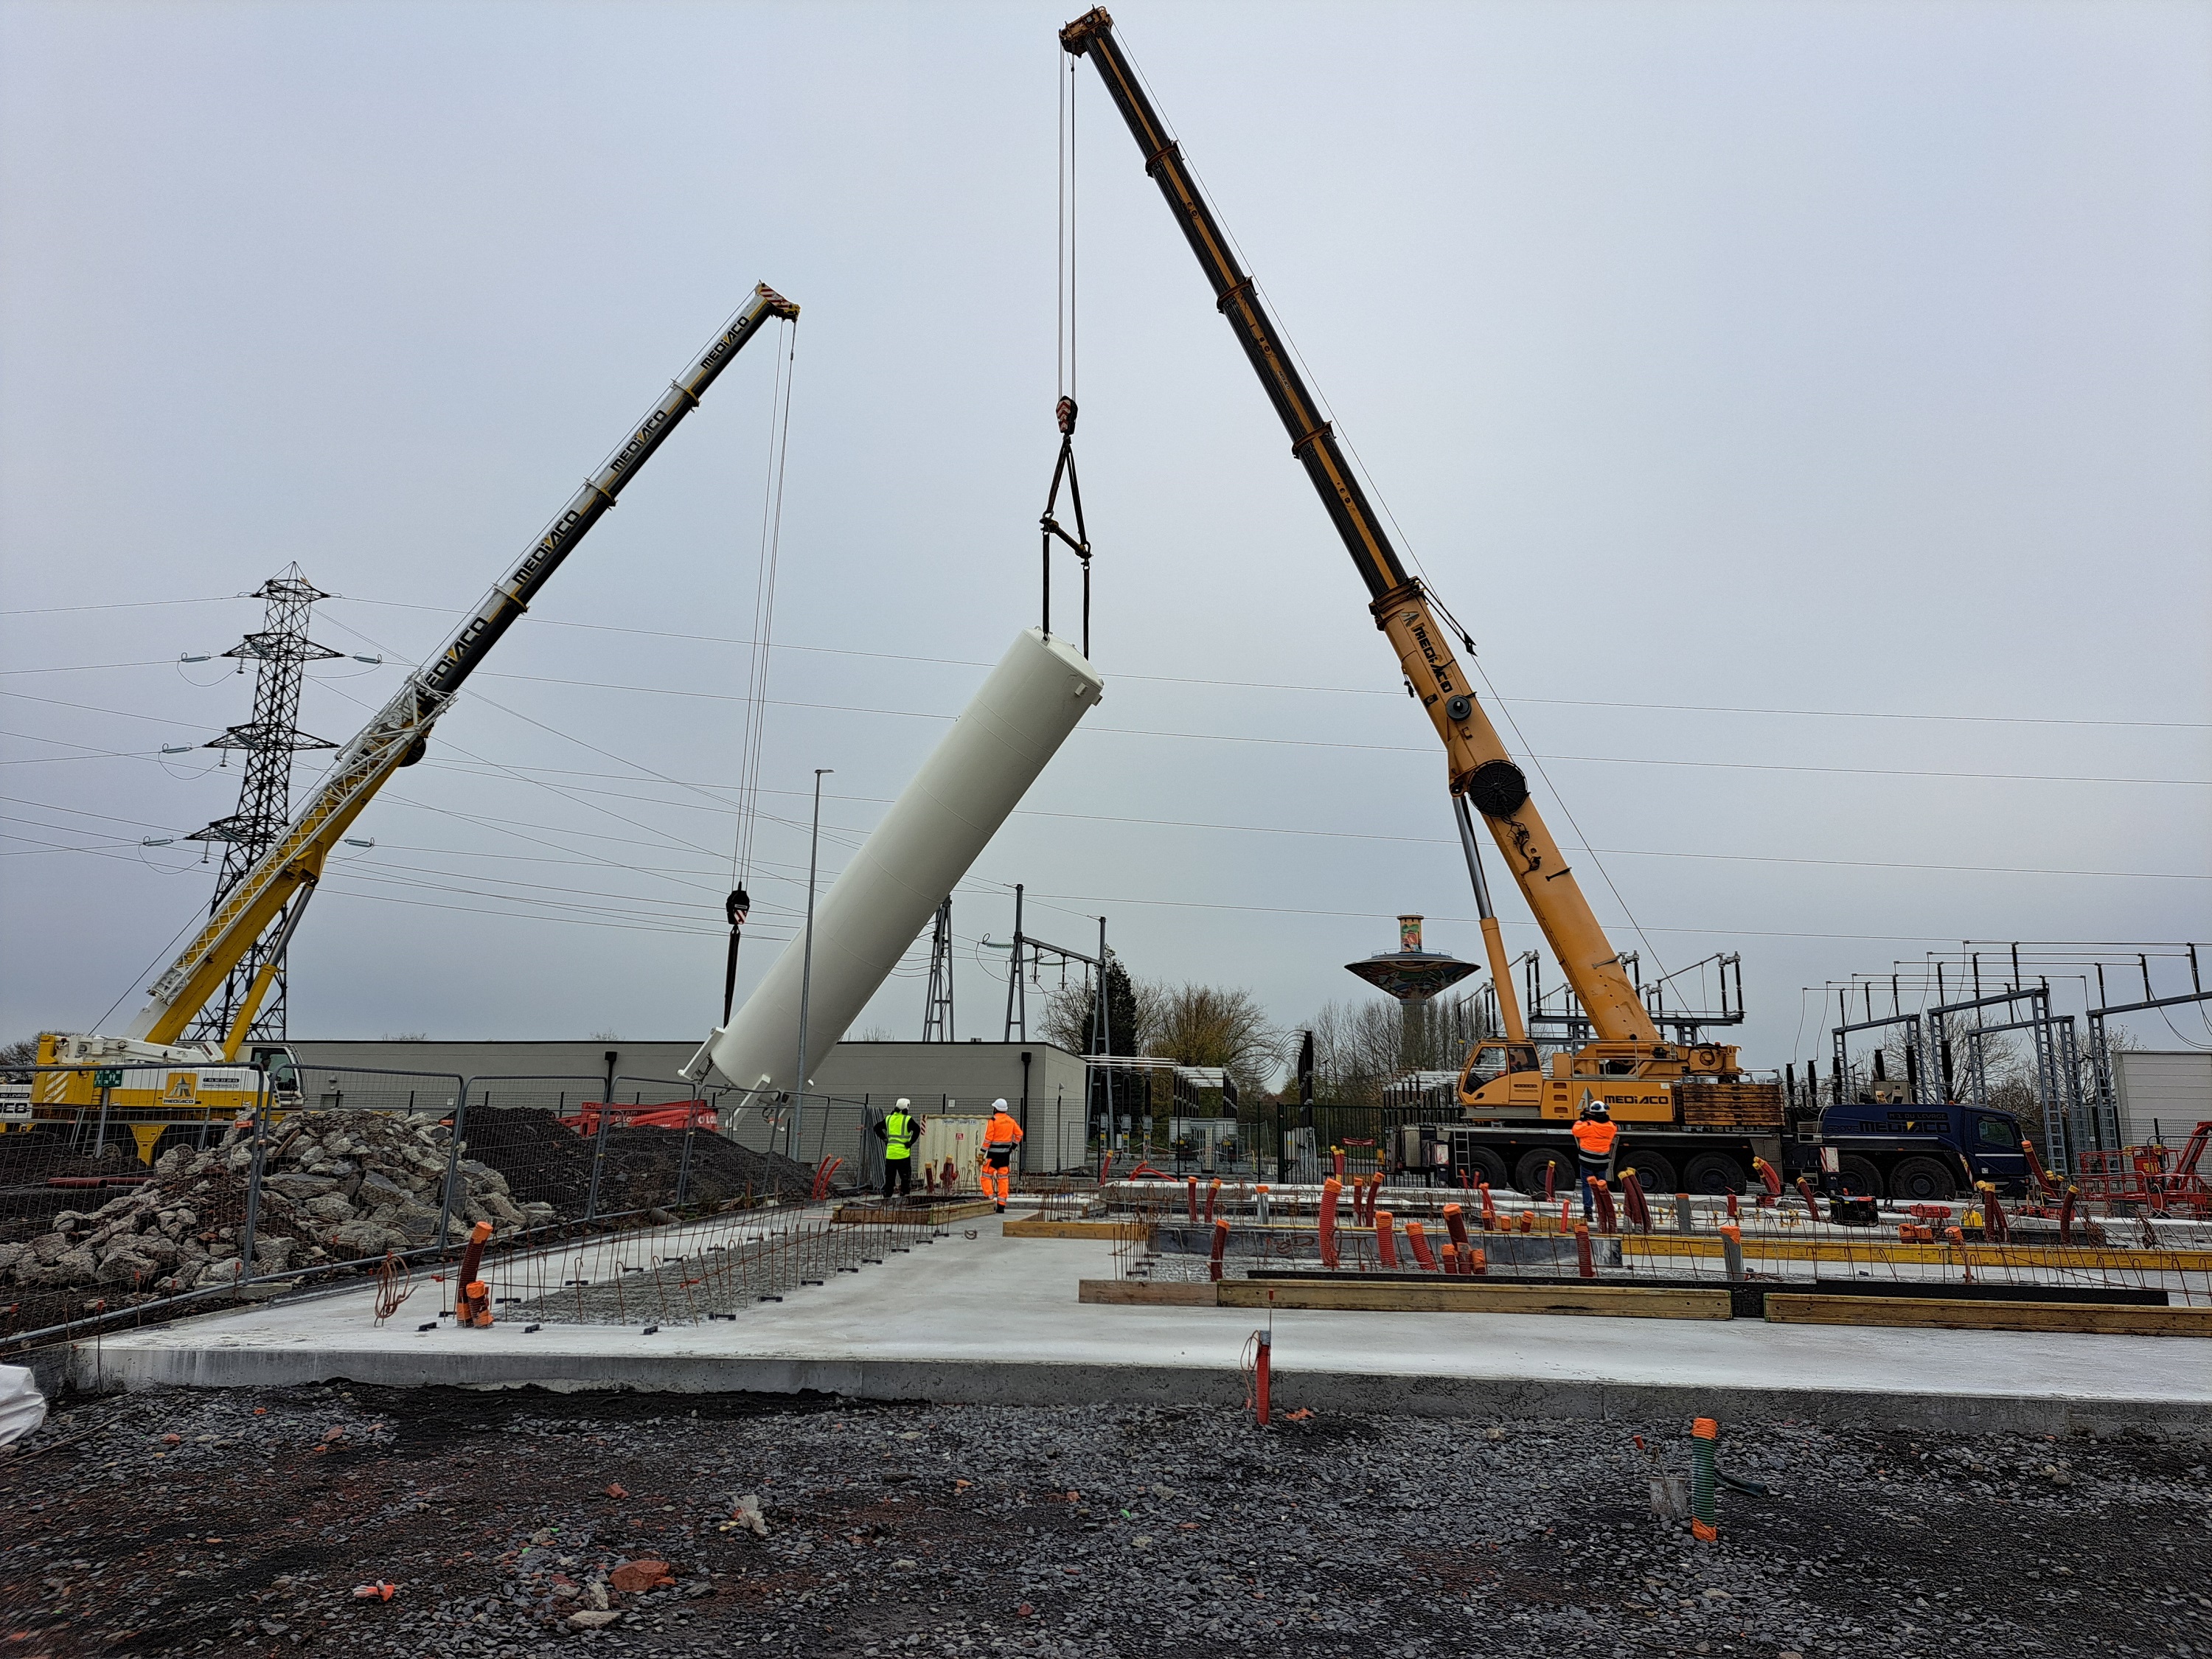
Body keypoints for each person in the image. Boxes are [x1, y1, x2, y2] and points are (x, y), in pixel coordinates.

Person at [1571, 1096, 1618, 1222]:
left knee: (1587, 1186)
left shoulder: (1587, 1125)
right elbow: (1610, 1128)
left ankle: (1588, 1212)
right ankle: (1605, 1212)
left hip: (1587, 1161)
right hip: (1602, 1162)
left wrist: (1582, 1119)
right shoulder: (1611, 1127)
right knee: (1602, 1186)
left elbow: (1575, 1131)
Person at [980, 1098, 1025, 1213]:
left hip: (993, 1155)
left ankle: (989, 1199)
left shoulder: (993, 1121)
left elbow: (988, 1139)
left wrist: (982, 1152)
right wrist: (1013, 1147)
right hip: (1005, 1156)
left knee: (986, 1176)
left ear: (995, 1109)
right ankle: (1001, 1205)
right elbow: (1019, 1134)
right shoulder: (1011, 1121)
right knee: (1003, 1179)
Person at [874, 1098, 922, 1201]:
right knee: (905, 1179)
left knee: (889, 1179)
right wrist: (910, 1142)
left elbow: (877, 1127)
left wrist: (885, 1139)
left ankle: (887, 1199)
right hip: (903, 1155)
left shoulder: (889, 1119)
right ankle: (904, 1198)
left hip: (890, 1155)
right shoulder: (907, 1120)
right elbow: (917, 1130)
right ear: (907, 1107)